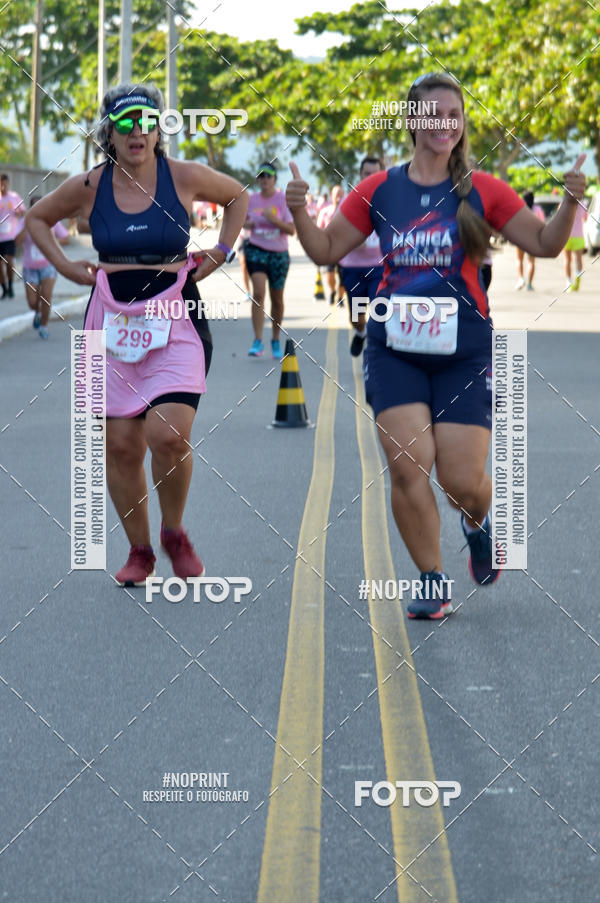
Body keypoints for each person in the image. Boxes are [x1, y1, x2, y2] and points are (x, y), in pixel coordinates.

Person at [286, 72, 586, 619]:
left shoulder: (483, 190)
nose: (444, 124)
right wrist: (301, 211)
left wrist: (568, 204)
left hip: (464, 352)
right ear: (411, 122)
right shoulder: (380, 190)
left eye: (454, 115)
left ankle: (477, 524)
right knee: (407, 466)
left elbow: (544, 245)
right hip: (393, 348)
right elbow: (328, 249)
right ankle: (430, 578)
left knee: (462, 483)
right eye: (433, 114)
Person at [26, 82, 248, 586]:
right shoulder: (89, 185)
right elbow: (37, 218)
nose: (138, 132)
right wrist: (62, 266)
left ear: (160, 128)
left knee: (167, 434)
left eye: (149, 121)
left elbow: (237, 196)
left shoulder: (183, 176)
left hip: (175, 317)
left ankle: (174, 532)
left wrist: (222, 251)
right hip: (108, 320)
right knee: (122, 447)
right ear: (110, 130)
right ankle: (140, 551)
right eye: (126, 123)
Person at [244, 162, 295, 359]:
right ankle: (257, 340)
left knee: (277, 299)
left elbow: (291, 230)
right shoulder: (251, 199)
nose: (265, 179)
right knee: (258, 293)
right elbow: (244, 221)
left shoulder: (282, 200)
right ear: (258, 179)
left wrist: (272, 219)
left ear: (274, 179)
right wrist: (249, 223)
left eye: (268, 176)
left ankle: (275, 338)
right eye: (261, 176)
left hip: (278, 253)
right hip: (256, 249)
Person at [337, 156, 385, 355]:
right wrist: (352, 239)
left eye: (375, 174)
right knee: (356, 317)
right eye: (367, 174)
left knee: (380, 312)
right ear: (360, 175)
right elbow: (336, 230)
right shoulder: (350, 201)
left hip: (379, 268)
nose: (371, 178)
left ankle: (377, 353)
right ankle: (361, 333)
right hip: (353, 270)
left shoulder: (390, 201)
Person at [15, 196, 71, 338]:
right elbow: (16, 242)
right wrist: (28, 224)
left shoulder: (52, 221)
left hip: (48, 266)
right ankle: (38, 312)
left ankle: (44, 326)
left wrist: (52, 241)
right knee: (32, 302)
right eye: (34, 207)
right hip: (30, 267)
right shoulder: (24, 222)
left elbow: (66, 238)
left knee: (46, 297)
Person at [317, 185, 345, 304]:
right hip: (330, 248)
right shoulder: (325, 212)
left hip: (345, 249)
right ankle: (333, 291)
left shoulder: (348, 211)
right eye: (336, 194)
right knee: (330, 274)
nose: (338, 197)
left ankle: (340, 297)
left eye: (340, 194)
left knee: (344, 277)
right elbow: (319, 229)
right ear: (331, 196)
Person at [0, 173, 26, 298]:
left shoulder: (14, 197)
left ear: (8, 183)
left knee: (9, 261)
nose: (3, 187)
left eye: (5, 184)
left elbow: (23, 211)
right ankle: (4, 288)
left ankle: (10, 286)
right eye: (1, 184)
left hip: (10, 236)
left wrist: (17, 211)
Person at [515, 191, 545, 290]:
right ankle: (529, 284)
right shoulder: (538, 209)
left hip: (520, 237)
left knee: (519, 259)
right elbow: (542, 223)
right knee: (531, 261)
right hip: (533, 238)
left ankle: (520, 279)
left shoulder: (519, 207)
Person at [564, 198, 586, 291]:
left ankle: (568, 281)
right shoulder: (583, 204)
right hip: (578, 235)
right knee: (579, 259)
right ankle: (578, 276)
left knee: (567, 260)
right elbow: (585, 219)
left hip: (566, 235)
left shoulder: (564, 204)